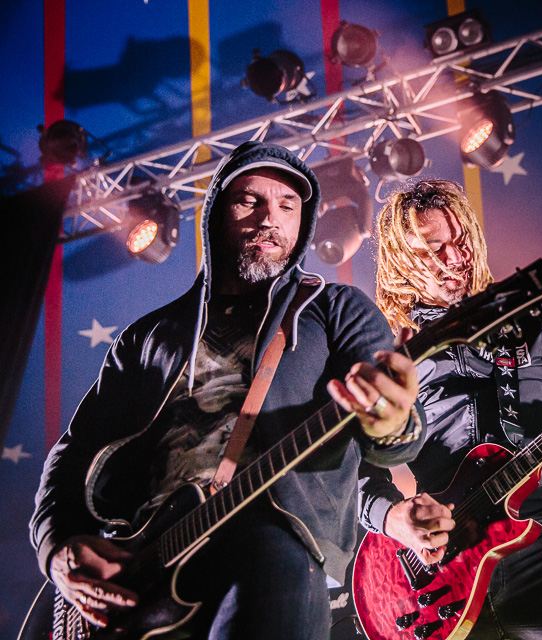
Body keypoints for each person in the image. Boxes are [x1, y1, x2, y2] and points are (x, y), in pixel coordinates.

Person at [29, 141, 425, 639]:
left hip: (275, 546)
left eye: (287, 206)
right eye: (249, 201)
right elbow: (74, 451)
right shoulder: (148, 337)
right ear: (215, 214)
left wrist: (392, 421)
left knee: (272, 556)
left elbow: (395, 441)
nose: (269, 218)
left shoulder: (338, 309)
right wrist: (56, 547)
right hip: (143, 566)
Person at [358, 179, 542, 639]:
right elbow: (353, 467)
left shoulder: (536, 316)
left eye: (461, 241)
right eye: (434, 249)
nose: (455, 258)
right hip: (440, 561)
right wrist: (391, 518)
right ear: (402, 261)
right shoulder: (389, 351)